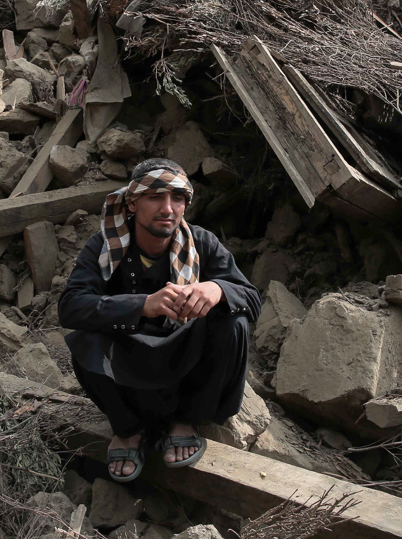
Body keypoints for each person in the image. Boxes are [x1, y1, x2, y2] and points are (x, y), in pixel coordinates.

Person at [58, 158, 261, 482]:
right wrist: (142, 305)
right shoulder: (104, 245)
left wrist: (216, 288)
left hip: (187, 369)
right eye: (155, 197)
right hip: (130, 370)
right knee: (85, 338)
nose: (167, 208)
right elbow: (70, 307)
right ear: (134, 203)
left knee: (233, 321)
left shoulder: (203, 243)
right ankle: (127, 430)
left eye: (177, 198)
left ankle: (186, 421)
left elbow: (251, 299)